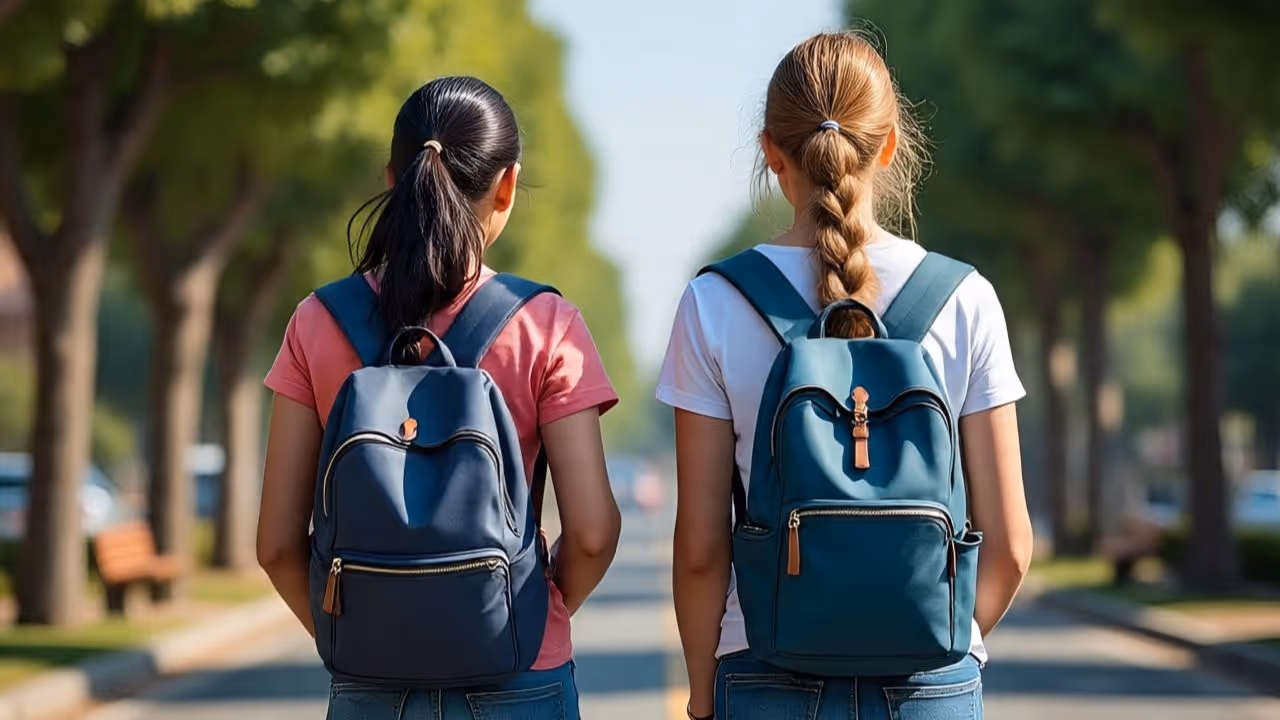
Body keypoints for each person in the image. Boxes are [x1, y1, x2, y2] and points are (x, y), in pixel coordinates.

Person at [657, 33, 1034, 720]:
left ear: (773, 153)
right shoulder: (966, 298)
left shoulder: (713, 303)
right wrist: (936, 638)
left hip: (765, 670)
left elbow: (702, 550)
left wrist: (704, 694)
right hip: (930, 683)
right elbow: (1009, 547)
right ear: (888, 145)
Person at [257, 76, 622, 720]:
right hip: (519, 676)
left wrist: (364, 634)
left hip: (371, 683)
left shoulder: (316, 321)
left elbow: (277, 546)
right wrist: (514, 612)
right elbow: (591, 534)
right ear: (507, 185)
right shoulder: (544, 323)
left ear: (392, 178)